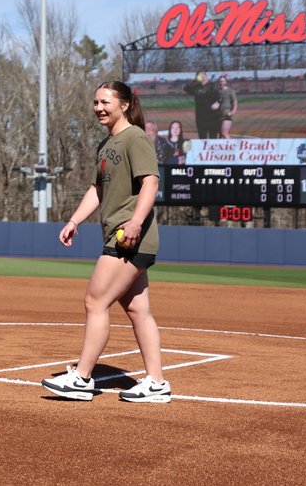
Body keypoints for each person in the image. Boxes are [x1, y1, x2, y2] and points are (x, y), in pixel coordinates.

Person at [41, 81, 171, 404]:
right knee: (139, 310)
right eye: (95, 102)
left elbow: (151, 183)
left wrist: (136, 223)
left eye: (105, 102)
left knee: (95, 300)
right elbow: (97, 191)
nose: (99, 107)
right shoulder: (105, 145)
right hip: (120, 233)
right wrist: (74, 220)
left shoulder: (136, 138)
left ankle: (82, 378)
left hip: (128, 236)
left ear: (124, 104)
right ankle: (156, 382)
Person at [183, 70, 221, 139]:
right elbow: (186, 89)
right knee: (202, 138)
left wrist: (217, 102)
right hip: (200, 116)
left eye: (203, 75)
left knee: (213, 137)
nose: (202, 77)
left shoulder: (212, 85)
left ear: (206, 76)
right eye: (200, 76)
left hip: (212, 116)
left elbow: (219, 96)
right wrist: (195, 80)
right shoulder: (196, 87)